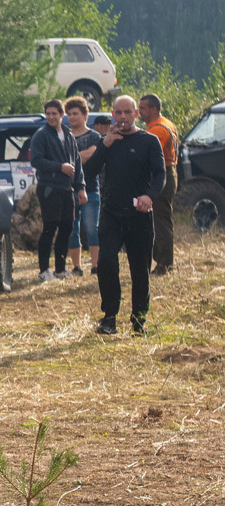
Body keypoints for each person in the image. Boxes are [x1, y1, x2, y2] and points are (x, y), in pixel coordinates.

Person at [83, 96, 166, 335]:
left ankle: (139, 320)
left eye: (127, 112)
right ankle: (109, 318)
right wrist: (104, 145)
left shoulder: (149, 141)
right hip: (111, 214)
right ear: (112, 114)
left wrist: (149, 196)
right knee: (106, 263)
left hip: (139, 214)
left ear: (136, 113)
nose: (122, 117)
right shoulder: (107, 142)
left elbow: (161, 175)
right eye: (117, 113)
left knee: (140, 269)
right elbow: (89, 171)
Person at [29, 99, 87, 280]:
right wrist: (59, 167)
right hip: (49, 187)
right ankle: (44, 270)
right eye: (48, 114)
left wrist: (81, 187)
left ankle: (60, 269)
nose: (51, 117)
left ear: (62, 115)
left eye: (55, 113)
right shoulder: (41, 135)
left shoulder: (68, 135)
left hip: (67, 189)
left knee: (67, 227)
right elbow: (36, 161)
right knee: (49, 227)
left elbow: (77, 163)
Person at [138, 94, 178, 274]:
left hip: (162, 175)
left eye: (143, 108)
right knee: (159, 218)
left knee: (160, 220)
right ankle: (161, 260)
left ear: (153, 109)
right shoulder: (164, 124)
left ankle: (165, 264)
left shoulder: (158, 130)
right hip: (167, 173)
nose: (140, 112)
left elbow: (148, 155)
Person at [64, 97, 101, 276]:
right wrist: (80, 157)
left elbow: (91, 155)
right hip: (68, 190)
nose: (71, 117)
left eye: (75, 114)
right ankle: (77, 267)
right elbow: (62, 161)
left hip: (91, 188)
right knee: (72, 229)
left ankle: (96, 266)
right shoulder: (63, 136)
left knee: (92, 228)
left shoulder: (95, 136)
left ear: (85, 115)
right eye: (69, 114)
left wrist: (73, 160)